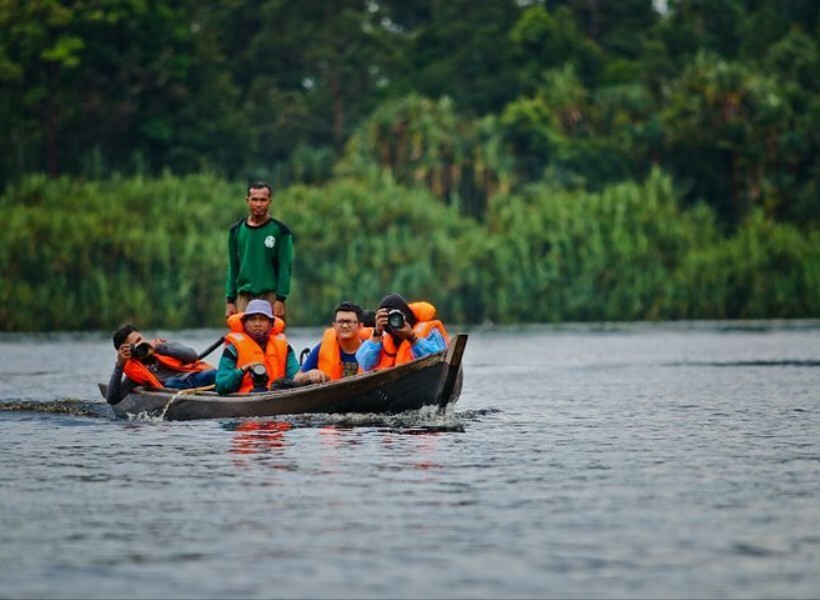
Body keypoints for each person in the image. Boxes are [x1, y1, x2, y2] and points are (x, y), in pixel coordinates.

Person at [225, 181, 294, 323]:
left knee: (273, 340)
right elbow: (233, 267)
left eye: (263, 200)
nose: (258, 204)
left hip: (271, 296)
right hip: (244, 296)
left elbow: (285, 267)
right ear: (247, 200)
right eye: (254, 199)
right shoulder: (235, 231)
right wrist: (230, 300)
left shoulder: (280, 231)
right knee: (242, 340)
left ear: (270, 201)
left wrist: (281, 299)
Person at [106, 325, 216, 405]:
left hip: (200, 377)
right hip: (173, 390)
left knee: (215, 374)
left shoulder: (163, 346)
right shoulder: (135, 374)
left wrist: (157, 348)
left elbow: (192, 356)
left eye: (140, 339)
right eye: (134, 345)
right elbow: (112, 399)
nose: (140, 345)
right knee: (171, 383)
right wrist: (119, 365)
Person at [216, 299, 301, 395]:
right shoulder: (232, 349)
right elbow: (220, 386)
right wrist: (242, 370)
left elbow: (294, 375)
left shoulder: (284, 346)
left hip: (277, 394)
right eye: (252, 319)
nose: (257, 324)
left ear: (271, 324)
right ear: (245, 324)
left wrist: (308, 376)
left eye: (262, 319)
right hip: (246, 398)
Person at [356, 292, 450, 372]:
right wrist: (377, 333)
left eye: (397, 316)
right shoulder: (381, 338)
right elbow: (365, 364)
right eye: (387, 317)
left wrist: (412, 338)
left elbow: (441, 359)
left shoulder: (429, 331)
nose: (393, 321)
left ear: (405, 315)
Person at [294, 301, 372, 385]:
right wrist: (309, 375)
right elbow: (296, 378)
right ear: (334, 326)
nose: (345, 326)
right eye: (341, 322)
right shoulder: (322, 348)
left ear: (360, 326)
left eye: (349, 322)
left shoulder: (371, 349)